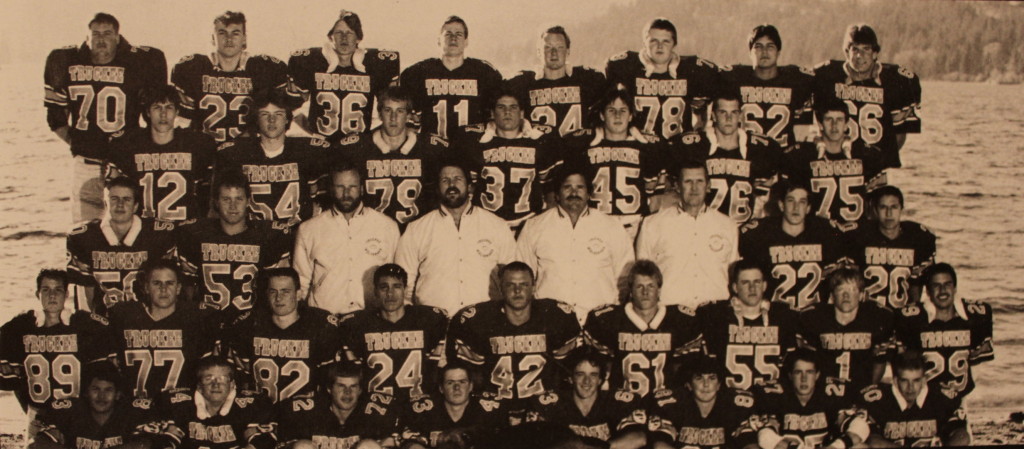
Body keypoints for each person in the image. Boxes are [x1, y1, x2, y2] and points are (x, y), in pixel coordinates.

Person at [44, 12, 167, 222]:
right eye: (95, 34)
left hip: (125, 161)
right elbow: (56, 119)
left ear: (118, 38)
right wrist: (81, 144)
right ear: (86, 37)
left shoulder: (139, 62)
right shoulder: (64, 60)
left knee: (130, 225)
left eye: (107, 33)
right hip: (87, 162)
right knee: (85, 229)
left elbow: (155, 116)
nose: (101, 39)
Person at [0, 270, 114, 437]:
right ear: (37, 294)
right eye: (46, 290)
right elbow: (13, 379)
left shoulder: (85, 324)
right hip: (39, 416)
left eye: (58, 290)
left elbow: (105, 373)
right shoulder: (20, 326)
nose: (52, 295)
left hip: (79, 415)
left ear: (67, 294)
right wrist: (30, 409)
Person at [446, 262, 581, 401]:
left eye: (524, 284)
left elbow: (568, 373)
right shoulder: (478, 320)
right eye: (510, 285)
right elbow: (471, 379)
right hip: (494, 409)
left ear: (534, 287)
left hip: (543, 408)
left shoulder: (555, 316)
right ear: (500, 288)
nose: (517, 290)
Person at [394, 161, 516, 315]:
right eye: (445, 180)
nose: (452, 184)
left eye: (458, 179)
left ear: (470, 186)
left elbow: (512, 279)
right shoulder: (416, 229)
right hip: (434, 323)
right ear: (437, 188)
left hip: (485, 322)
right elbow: (404, 283)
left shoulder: (496, 226)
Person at [174, 170, 293, 327]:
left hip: (252, 325)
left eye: (239, 199)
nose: (233, 206)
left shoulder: (268, 236)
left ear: (248, 201)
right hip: (207, 323)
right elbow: (188, 290)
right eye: (226, 199)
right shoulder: (196, 234)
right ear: (215, 202)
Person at [516, 168, 634, 318]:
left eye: (580, 187)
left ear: (589, 193)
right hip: (551, 320)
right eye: (567, 187)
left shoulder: (611, 226)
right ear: (557, 194)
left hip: (600, 321)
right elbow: (522, 277)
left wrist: (613, 312)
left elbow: (625, 278)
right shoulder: (534, 227)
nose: (574, 193)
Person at [292, 160, 400, 314]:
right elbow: (301, 283)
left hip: (371, 319)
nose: (346, 194)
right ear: (330, 189)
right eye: (340, 187)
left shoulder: (387, 226)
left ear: (362, 189)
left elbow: (397, 280)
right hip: (325, 319)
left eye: (352, 187)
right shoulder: (309, 229)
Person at [561, 87, 670, 238]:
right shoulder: (585, 147)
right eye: (611, 110)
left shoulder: (648, 148)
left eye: (623, 110)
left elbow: (656, 197)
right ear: (602, 115)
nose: (617, 116)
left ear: (631, 115)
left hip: (634, 226)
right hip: (596, 225)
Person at [584, 260, 702, 398]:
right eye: (639, 286)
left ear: (659, 290)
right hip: (622, 403)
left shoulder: (679, 320)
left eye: (651, 286)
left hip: (667, 404)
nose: (645, 292)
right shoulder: (611, 320)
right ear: (631, 291)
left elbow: (686, 372)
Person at [214, 89, 332, 225]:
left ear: (287, 118)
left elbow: (318, 196)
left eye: (278, 114)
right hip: (253, 236)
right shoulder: (237, 152)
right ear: (256, 119)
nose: (272, 120)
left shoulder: (306, 150)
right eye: (265, 114)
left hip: (295, 234)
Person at [171, 11, 292, 143]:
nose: (229, 39)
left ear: (244, 39)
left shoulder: (263, 68)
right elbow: (182, 121)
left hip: (247, 152)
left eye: (235, 33)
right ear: (213, 38)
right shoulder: (194, 68)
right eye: (222, 33)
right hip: (206, 151)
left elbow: (284, 115)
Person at [223, 267, 341, 403]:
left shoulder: (319, 326)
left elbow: (329, 381)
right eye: (273, 292)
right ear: (266, 294)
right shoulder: (248, 325)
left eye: (285, 292)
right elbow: (240, 380)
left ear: (298, 294)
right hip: (260, 410)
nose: (278, 298)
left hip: (305, 412)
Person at [813, 24, 921, 169]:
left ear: (875, 53)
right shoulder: (826, 76)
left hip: (876, 167)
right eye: (855, 49)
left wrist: (878, 163)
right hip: (835, 165)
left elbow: (899, 135)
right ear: (846, 52)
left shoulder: (896, 81)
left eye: (866, 49)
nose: (859, 56)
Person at [106, 258, 217, 399]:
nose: (163, 289)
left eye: (169, 283)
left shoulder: (195, 321)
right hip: (134, 409)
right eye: (156, 283)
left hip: (180, 409)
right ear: (146, 288)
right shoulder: (126, 318)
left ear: (178, 288)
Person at [455, 87, 561, 232]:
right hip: (487, 225)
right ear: (492, 113)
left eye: (513, 107)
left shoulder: (538, 143)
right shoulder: (478, 144)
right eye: (501, 107)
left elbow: (549, 188)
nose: (507, 112)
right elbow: (470, 189)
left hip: (529, 224)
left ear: (522, 113)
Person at [105, 85, 217, 223]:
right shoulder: (129, 144)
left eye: (169, 107)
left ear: (177, 111)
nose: (163, 114)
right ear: (147, 112)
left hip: (185, 229)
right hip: (145, 231)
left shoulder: (196, 144)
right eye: (157, 107)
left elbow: (207, 193)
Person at [338, 86, 446, 229]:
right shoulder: (358, 147)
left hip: (415, 233)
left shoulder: (429, 148)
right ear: (380, 113)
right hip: (370, 232)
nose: (393, 118)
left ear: (408, 115)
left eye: (400, 111)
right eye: (388, 110)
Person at [338, 264, 448, 403]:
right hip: (375, 408)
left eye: (397, 286)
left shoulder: (427, 321)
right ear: (375, 291)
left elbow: (437, 370)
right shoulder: (359, 325)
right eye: (384, 287)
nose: (390, 294)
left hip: (418, 406)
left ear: (405, 290)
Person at [66, 176, 176, 314]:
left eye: (126, 199)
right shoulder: (83, 237)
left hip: (147, 321)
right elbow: (88, 292)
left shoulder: (158, 235)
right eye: (114, 199)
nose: (120, 204)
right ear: (105, 203)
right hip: (106, 322)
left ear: (135, 206)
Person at [635, 161, 738, 307]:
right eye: (688, 181)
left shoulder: (728, 226)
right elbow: (642, 277)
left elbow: (734, 278)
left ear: (708, 186)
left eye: (700, 181)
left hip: (716, 313)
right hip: (671, 313)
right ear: (677, 186)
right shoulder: (652, 224)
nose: (694, 188)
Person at [288, 9, 400, 142]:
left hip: (357, 147)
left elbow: (391, 109)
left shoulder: (374, 66)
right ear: (331, 37)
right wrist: (312, 132)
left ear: (358, 38)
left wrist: (368, 136)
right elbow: (291, 109)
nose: (344, 37)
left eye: (349, 33)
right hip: (322, 146)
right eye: (339, 32)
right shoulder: (312, 63)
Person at [670, 94, 782, 224]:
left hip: (742, 228)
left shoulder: (760, 148)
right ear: (713, 115)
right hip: (702, 227)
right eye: (723, 112)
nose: (728, 118)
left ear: (740, 115)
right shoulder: (693, 146)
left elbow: (766, 196)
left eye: (734, 112)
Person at [605, 18, 724, 139]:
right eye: (654, 41)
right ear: (644, 42)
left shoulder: (692, 69)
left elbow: (705, 107)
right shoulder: (627, 66)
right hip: (638, 146)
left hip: (678, 148)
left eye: (666, 41)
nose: (660, 46)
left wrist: (699, 127)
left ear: (674, 44)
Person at [740, 181, 848, 311]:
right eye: (791, 201)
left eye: (802, 202)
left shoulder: (824, 234)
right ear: (781, 205)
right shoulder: (762, 235)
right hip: (776, 316)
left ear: (808, 208)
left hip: (815, 315)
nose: (796, 208)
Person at [894, 263, 994, 403]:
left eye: (947, 284)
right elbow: (906, 368)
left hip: (959, 399)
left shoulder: (975, 316)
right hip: (924, 400)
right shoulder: (913, 320)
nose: (942, 291)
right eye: (936, 286)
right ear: (928, 291)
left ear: (955, 288)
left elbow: (975, 365)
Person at [781, 100, 886, 228]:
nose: (834, 125)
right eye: (829, 120)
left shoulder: (867, 154)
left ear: (847, 124)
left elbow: (878, 204)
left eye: (840, 120)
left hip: (857, 233)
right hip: (817, 233)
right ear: (820, 124)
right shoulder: (801, 155)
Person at [697, 260, 798, 391]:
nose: (752, 288)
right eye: (745, 283)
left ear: (765, 285)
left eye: (757, 282)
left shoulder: (783, 317)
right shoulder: (717, 317)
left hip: (771, 400)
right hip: (729, 402)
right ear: (735, 287)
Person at [797, 267, 895, 399]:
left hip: (861, 391)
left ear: (861, 295)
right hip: (823, 393)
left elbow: (879, 362)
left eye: (852, 289)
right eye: (840, 289)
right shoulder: (814, 318)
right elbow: (808, 364)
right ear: (832, 296)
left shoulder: (877, 318)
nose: (846, 295)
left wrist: (869, 389)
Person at [399, 16, 503, 139]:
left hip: (472, 149)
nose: (453, 38)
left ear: (466, 41)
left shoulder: (483, 72)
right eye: (448, 34)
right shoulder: (419, 72)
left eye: (458, 34)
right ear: (438, 40)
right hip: (432, 149)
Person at [139, 356, 276, 449]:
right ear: (198, 385)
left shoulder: (252, 404)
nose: (216, 385)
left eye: (222, 379)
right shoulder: (177, 403)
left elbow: (261, 442)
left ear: (233, 384)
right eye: (208, 379)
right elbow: (164, 441)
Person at [521, 351, 650, 448]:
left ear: (600, 380)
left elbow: (640, 437)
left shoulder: (615, 400)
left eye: (593, 375)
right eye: (580, 374)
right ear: (570, 378)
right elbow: (533, 440)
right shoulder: (553, 402)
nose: (586, 381)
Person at [719, 24, 815, 150]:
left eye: (770, 47)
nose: (764, 52)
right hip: (747, 156)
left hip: (783, 156)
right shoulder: (735, 79)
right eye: (758, 47)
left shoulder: (795, 79)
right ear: (750, 53)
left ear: (778, 52)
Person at [754, 348, 869, 449]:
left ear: (817, 375)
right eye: (798, 372)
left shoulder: (828, 395)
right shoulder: (778, 396)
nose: (804, 378)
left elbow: (860, 426)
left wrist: (835, 447)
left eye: (809, 372)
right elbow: (765, 435)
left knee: (861, 447)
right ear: (790, 375)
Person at [506, 26, 607, 137]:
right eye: (548, 47)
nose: (554, 53)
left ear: (567, 51)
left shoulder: (586, 79)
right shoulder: (523, 83)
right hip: (539, 151)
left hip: (576, 151)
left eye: (559, 47)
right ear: (539, 52)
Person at [846, 186, 936, 309]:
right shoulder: (861, 237)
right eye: (883, 207)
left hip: (901, 314)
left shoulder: (916, 237)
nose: (889, 214)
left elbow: (916, 285)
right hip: (867, 313)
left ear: (901, 209)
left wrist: (911, 315)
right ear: (876, 210)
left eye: (894, 207)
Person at [29, 362, 154, 449]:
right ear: (86, 392)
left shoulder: (131, 411)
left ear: (118, 394)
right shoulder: (69, 410)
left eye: (108, 390)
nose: (101, 396)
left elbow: (148, 443)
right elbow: (39, 443)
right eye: (95, 389)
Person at [857, 351, 970, 447]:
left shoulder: (941, 398)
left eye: (916, 380)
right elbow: (873, 441)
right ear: (895, 381)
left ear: (924, 380)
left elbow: (962, 436)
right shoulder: (877, 400)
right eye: (904, 380)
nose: (910, 387)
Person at [276, 362, 399, 448]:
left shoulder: (375, 413)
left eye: (353, 386)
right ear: (329, 389)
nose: (347, 392)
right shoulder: (307, 412)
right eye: (341, 386)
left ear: (361, 390)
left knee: (368, 446)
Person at [646, 356, 760, 449]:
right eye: (699, 378)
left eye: (712, 378)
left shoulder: (734, 404)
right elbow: (660, 445)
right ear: (689, 385)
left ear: (719, 384)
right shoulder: (673, 403)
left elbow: (750, 444)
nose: (706, 384)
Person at [397, 361, 508, 449]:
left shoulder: (489, 409)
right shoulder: (423, 409)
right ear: (441, 388)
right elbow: (408, 442)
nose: (457, 387)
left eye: (462, 382)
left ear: (471, 386)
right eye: (450, 383)